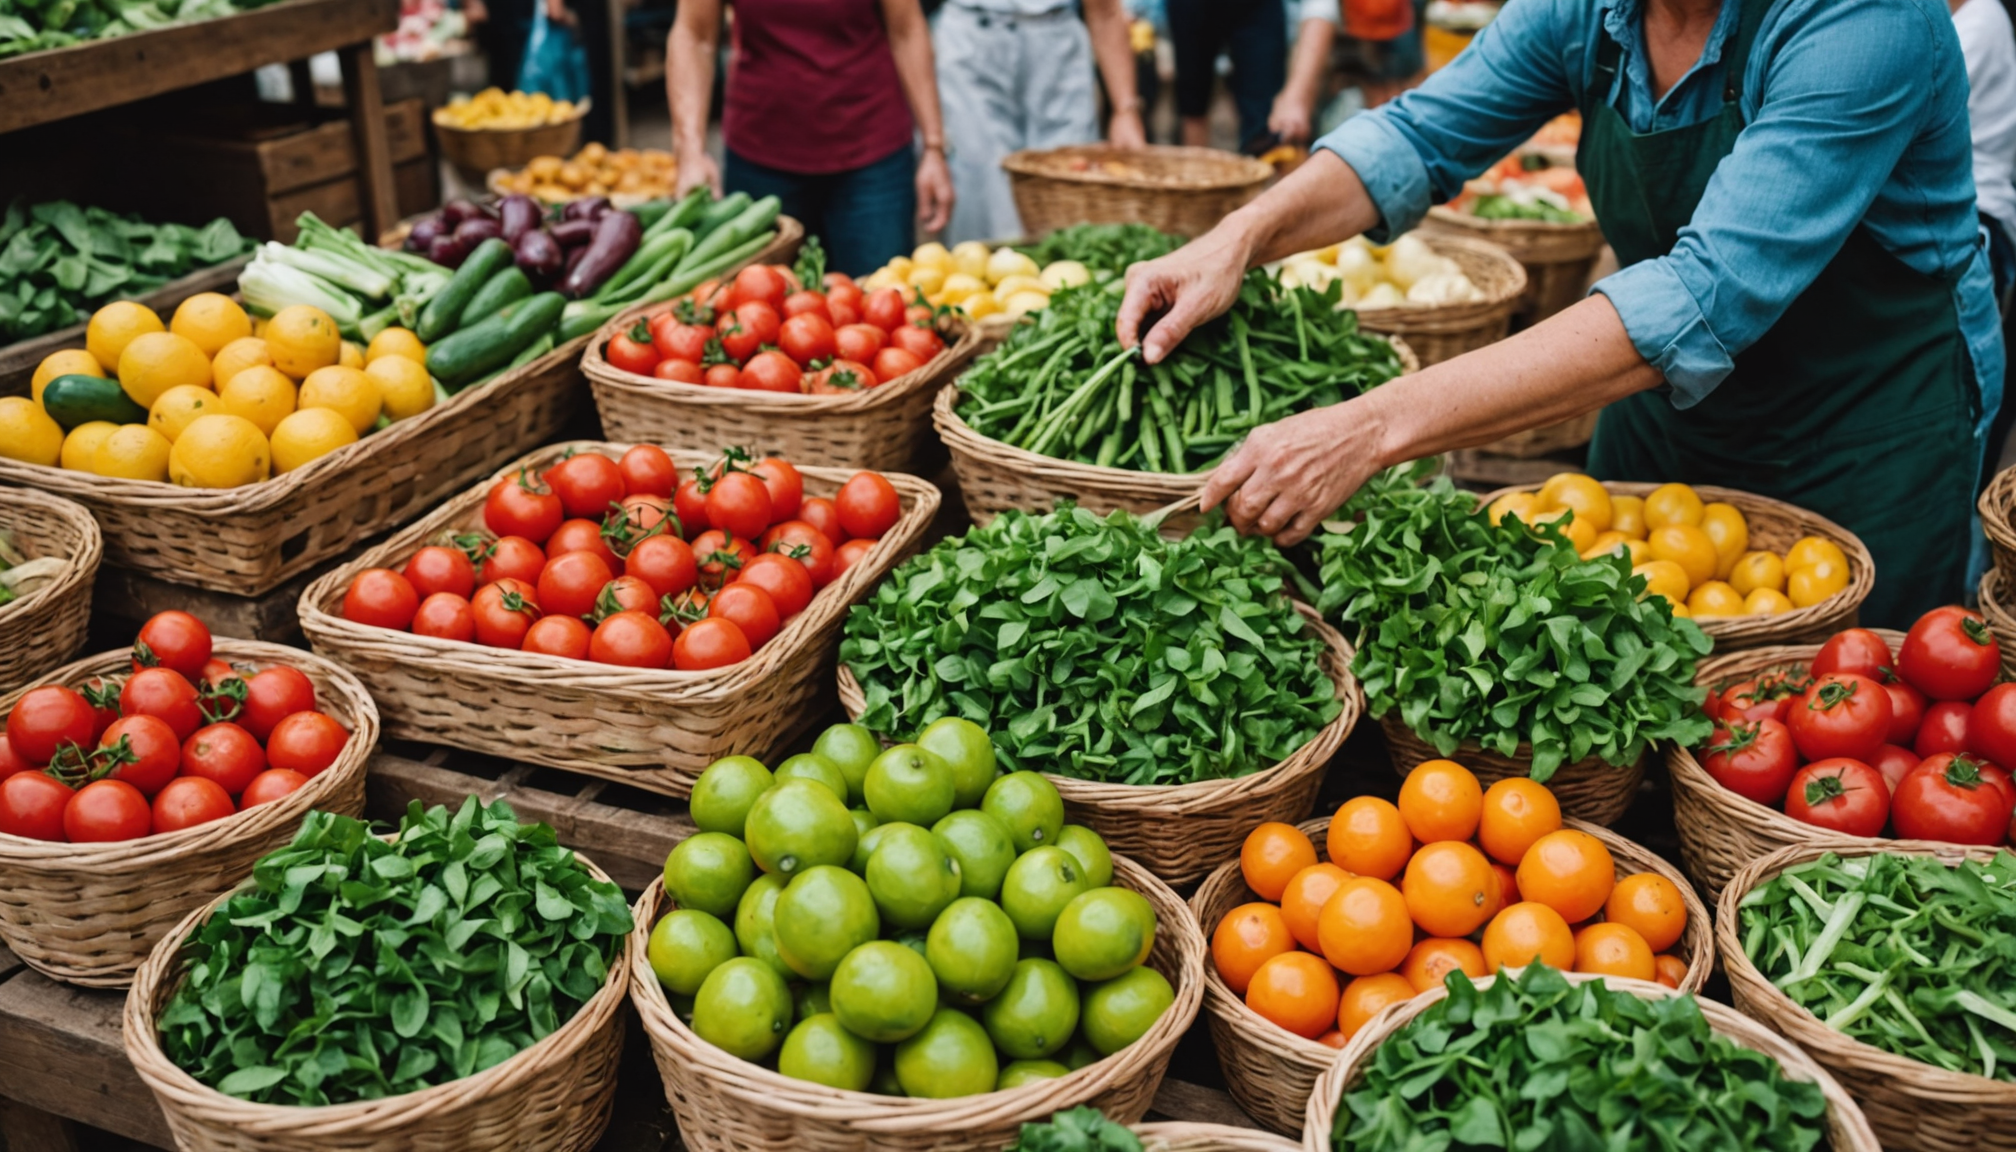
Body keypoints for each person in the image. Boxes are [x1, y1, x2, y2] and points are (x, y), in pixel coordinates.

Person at [1118, 0, 2004, 626]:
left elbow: (1702, 294)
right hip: (1665, 410)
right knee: (1617, 685)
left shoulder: (1863, 22)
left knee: (1839, 729)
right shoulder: (1591, 10)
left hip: (1863, 431)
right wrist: (1238, 237)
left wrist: (1371, 427)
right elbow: (1416, 135)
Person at [668, 0, 955, 276]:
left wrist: (934, 147)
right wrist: (690, 151)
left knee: (878, 294)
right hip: (760, 159)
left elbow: (907, 30)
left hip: (872, 158)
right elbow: (694, 36)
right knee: (760, 299)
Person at [934, 0, 1147, 244]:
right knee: (981, 203)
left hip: (1057, 42)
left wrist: (1125, 109)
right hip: (971, 42)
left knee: (1068, 198)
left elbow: (1105, 10)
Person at [1166, 0, 1286, 152]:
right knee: (1192, 103)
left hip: (1258, 6)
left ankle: (1262, 158)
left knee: (1263, 114)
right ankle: (1193, 162)